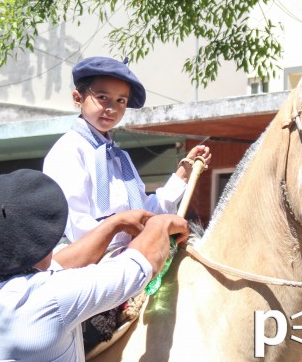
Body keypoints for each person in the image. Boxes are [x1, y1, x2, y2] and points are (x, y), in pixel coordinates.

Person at [0, 169, 189, 362]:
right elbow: (137, 265)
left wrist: (113, 224)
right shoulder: (55, 298)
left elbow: (56, 265)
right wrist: (161, 223)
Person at [43, 56, 210, 250]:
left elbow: (147, 212)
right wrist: (123, 238)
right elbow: (76, 225)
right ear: (78, 98)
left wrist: (183, 175)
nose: (111, 108)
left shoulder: (121, 158)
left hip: (126, 255)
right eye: (102, 98)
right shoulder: (68, 150)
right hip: (86, 261)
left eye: (120, 100)